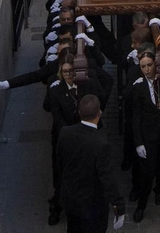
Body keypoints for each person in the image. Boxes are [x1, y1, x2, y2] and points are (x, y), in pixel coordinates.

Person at [43, 58, 104, 224]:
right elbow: (58, 118)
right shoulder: (56, 91)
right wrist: (74, 136)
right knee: (61, 175)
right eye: (65, 71)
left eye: (71, 71)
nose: (69, 74)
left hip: (86, 137)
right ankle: (58, 206)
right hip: (65, 139)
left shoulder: (86, 85)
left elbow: (99, 99)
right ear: (61, 74)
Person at [125, 50, 160, 226]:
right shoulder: (138, 86)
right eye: (143, 66)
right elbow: (135, 117)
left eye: (149, 65)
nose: (147, 69)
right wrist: (138, 142)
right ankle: (141, 206)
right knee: (147, 174)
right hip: (149, 137)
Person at [55, 94, 125, 233]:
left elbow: (59, 162)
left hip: (71, 200)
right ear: (99, 114)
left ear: (79, 113)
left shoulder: (65, 132)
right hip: (92, 206)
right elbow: (107, 179)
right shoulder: (101, 144)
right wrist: (118, 205)